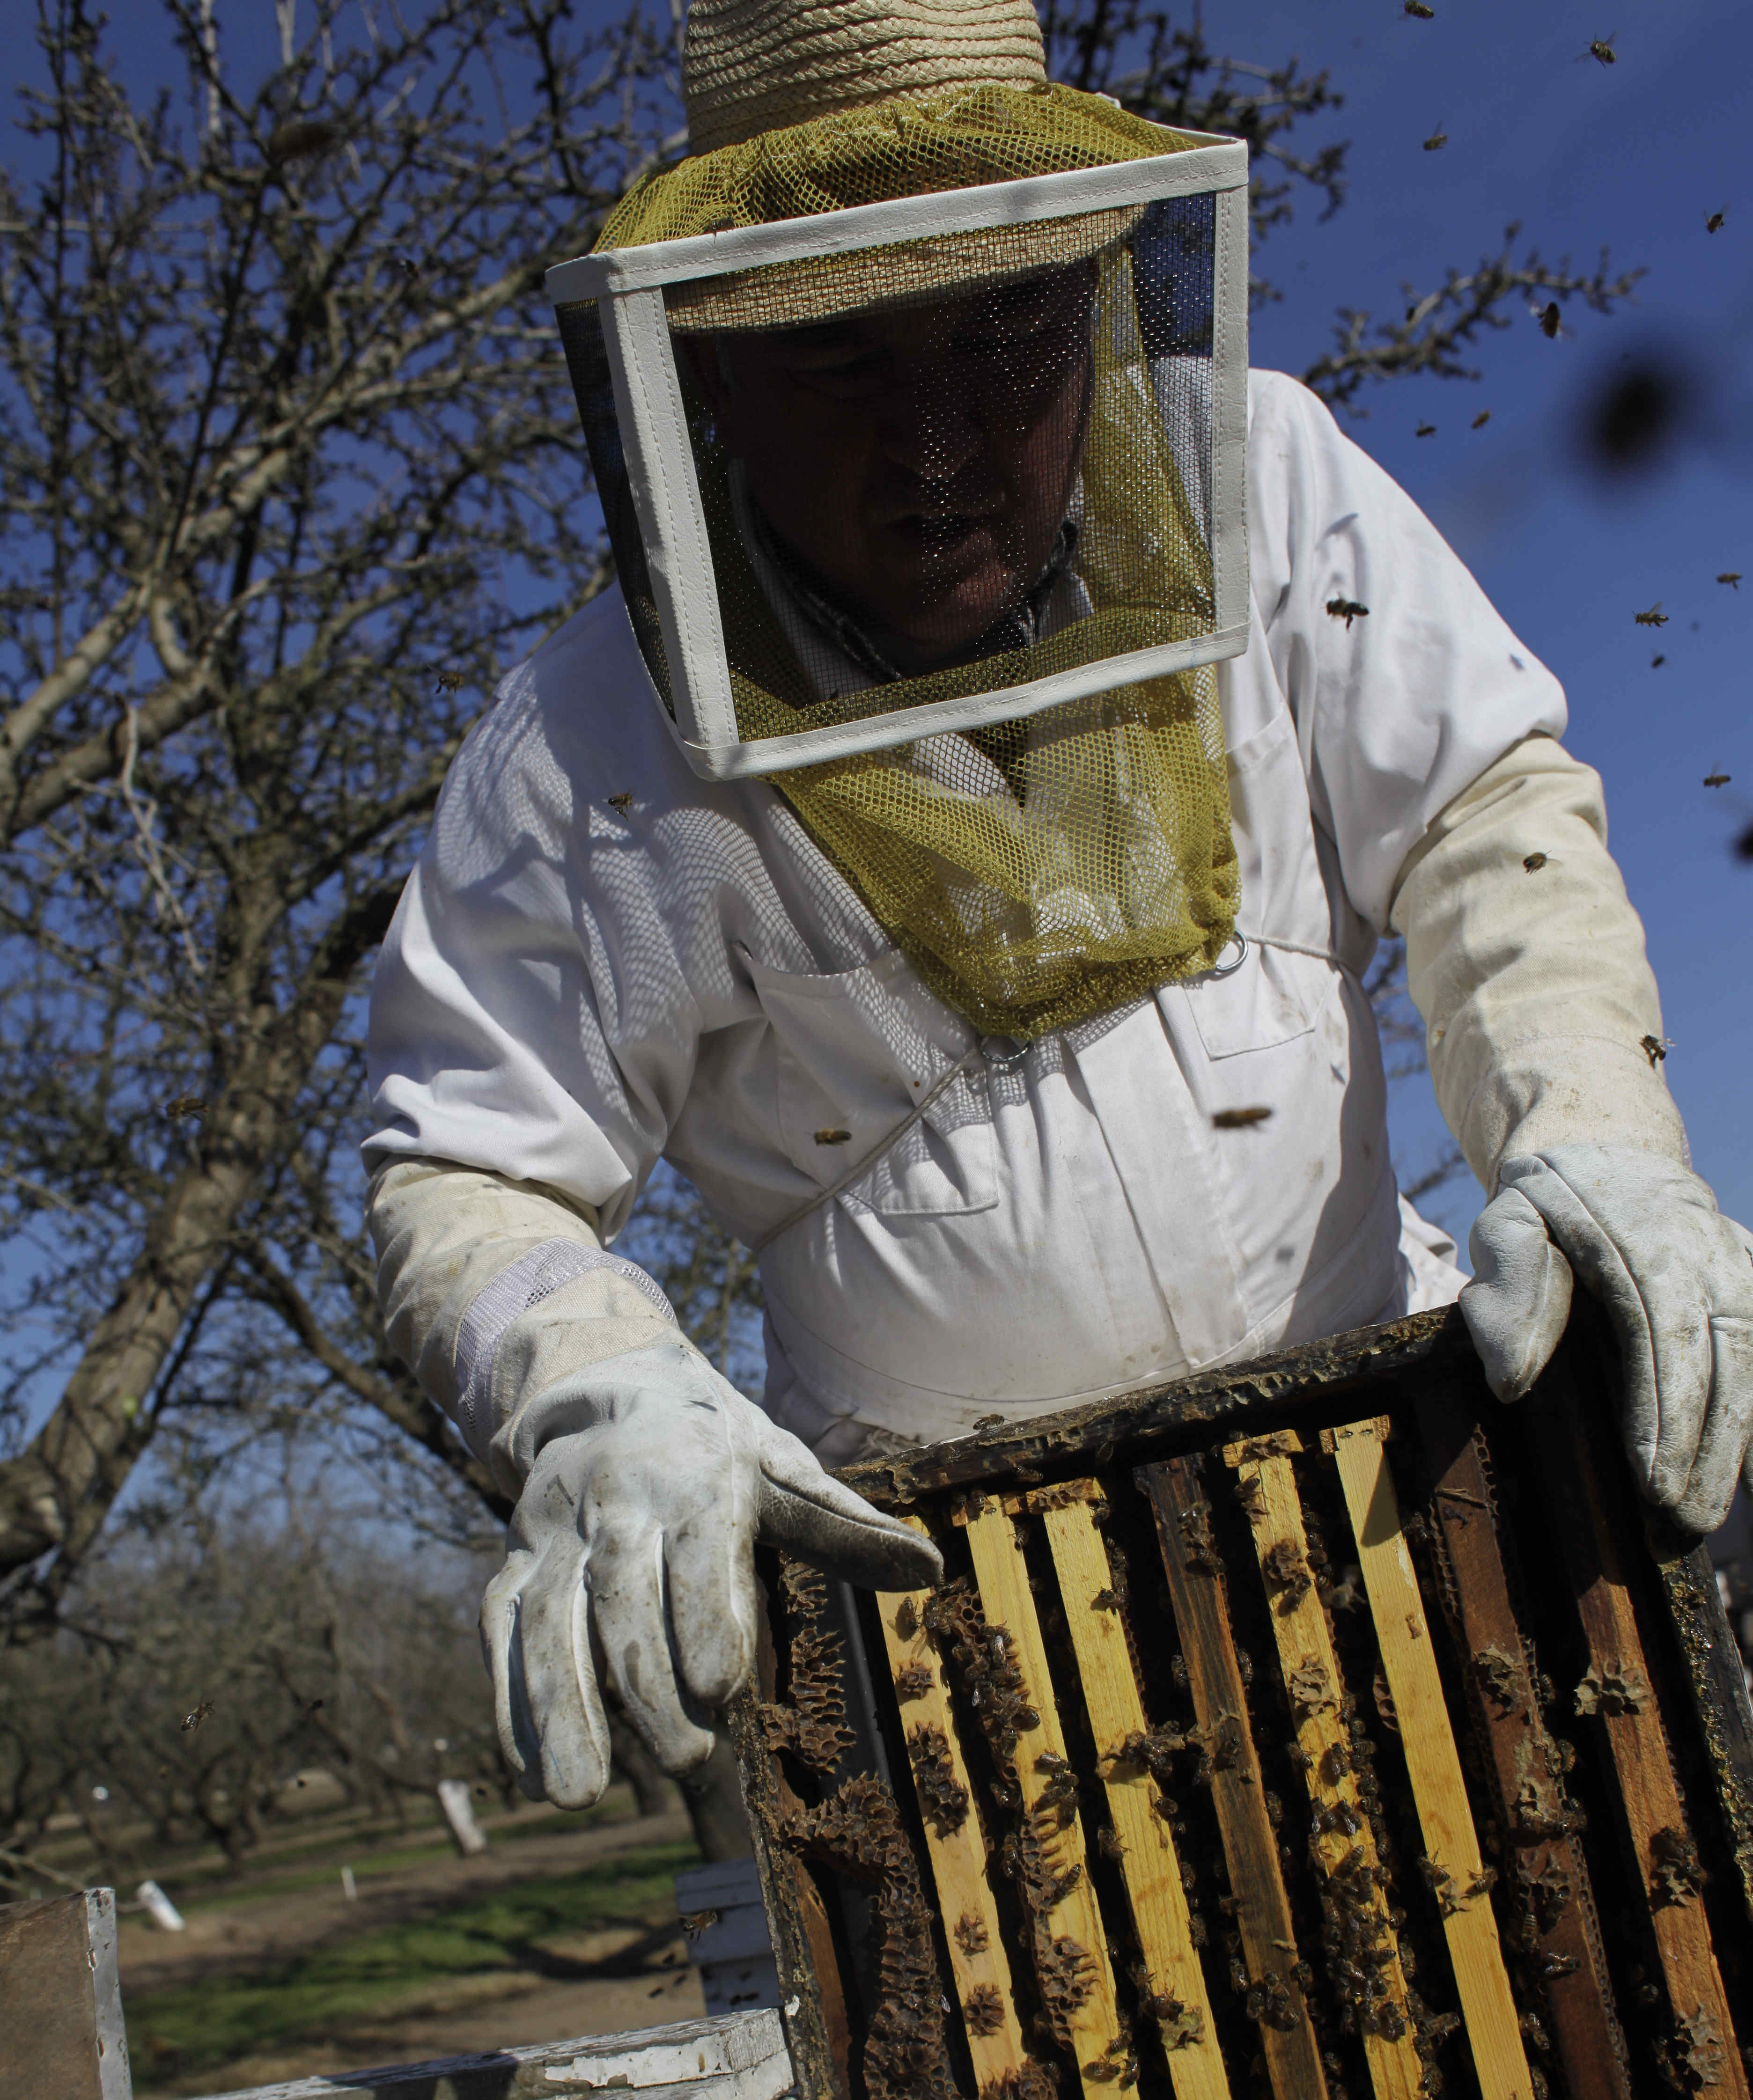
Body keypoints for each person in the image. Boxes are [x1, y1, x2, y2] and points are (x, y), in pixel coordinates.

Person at [365, 0, 1753, 1814]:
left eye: (1009, 329)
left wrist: (1597, 1130)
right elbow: (463, 1163)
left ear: (1097, 294)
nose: (944, 438)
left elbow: (1490, 809)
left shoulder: (1264, 481)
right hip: (965, 1632)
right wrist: (595, 1385)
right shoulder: (585, 744)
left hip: (1416, 1473)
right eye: (851, 359)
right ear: (707, 368)